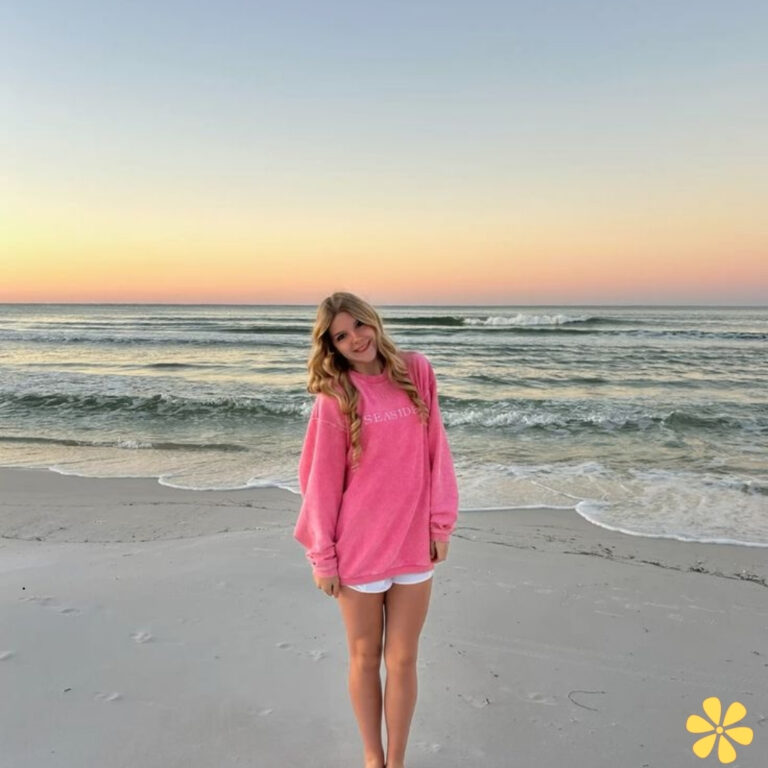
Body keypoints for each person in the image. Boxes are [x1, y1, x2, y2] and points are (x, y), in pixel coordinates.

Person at [294, 291, 458, 768]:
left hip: (413, 542)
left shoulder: (416, 371)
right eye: (341, 336)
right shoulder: (335, 397)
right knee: (366, 657)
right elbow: (320, 482)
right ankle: (372, 758)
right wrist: (323, 556)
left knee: (403, 658)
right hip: (359, 549)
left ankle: (397, 761)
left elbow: (437, 450)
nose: (355, 339)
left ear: (373, 321)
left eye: (359, 326)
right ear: (332, 346)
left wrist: (440, 523)